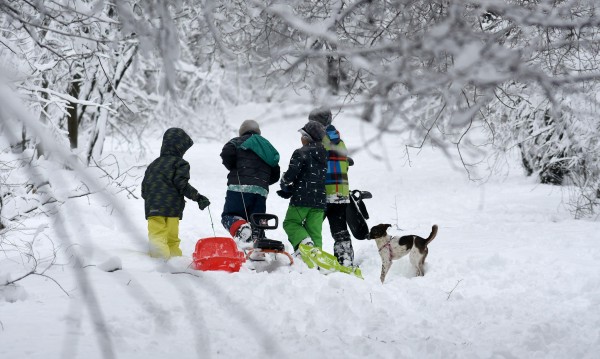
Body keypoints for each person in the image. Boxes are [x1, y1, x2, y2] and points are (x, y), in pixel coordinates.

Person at [141, 127, 210, 259]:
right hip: (173, 210)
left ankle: (160, 263)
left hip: (154, 209)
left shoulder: (153, 165)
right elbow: (182, 184)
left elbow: (144, 188)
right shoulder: (180, 163)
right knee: (172, 239)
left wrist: (152, 200)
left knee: (157, 236)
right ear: (180, 148)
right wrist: (198, 197)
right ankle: (175, 263)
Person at [220, 119, 280, 249]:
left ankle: (241, 228)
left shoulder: (236, 141)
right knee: (257, 222)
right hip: (261, 192)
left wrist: (234, 167)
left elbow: (226, 154)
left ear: (242, 131)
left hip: (238, 188)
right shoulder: (268, 147)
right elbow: (276, 173)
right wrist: (262, 182)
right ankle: (258, 247)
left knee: (228, 216)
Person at [309, 107, 355, 267]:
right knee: (339, 228)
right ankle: (345, 259)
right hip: (340, 192)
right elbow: (344, 166)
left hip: (322, 192)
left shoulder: (317, 141)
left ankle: (308, 257)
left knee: (310, 227)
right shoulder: (340, 142)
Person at [278, 121, 327, 253]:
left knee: (291, 223)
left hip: (302, 198)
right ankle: (317, 260)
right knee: (315, 231)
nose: (301, 138)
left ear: (308, 137)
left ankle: (305, 244)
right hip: (320, 199)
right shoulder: (325, 154)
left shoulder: (301, 152)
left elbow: (290, 176)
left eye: (303, 135)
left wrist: (285, 183)